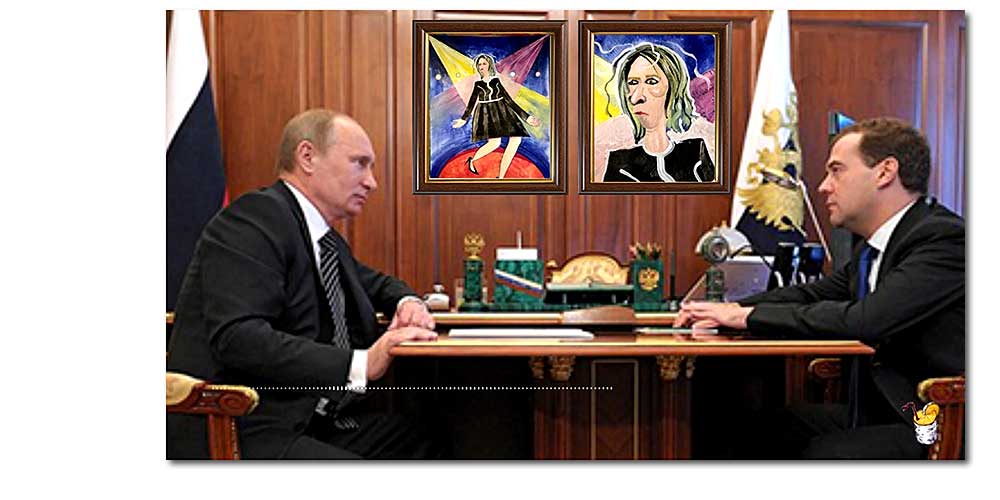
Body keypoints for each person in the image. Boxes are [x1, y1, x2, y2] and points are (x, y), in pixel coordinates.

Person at [675, 117, 964, 459]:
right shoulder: (872, 249)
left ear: (885, 172)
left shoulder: (942, 239)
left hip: (935, 421)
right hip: (882, 410)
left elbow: (866, 319)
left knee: (823, 454)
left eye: (836, 171)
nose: (824, 186)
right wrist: (733, 310)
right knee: (754, 431)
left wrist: (747, 317)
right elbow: (812, 293)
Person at [167, 109, 442, 459]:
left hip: (310, 420)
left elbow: (375, 283)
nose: (371, 182)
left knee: (425, 434)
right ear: (308, 157)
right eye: (359, 163)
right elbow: (239, 338)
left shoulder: (324, 240)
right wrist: (362, 363)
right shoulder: (252, 220)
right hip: (244, 425)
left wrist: (409, 303)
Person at [602, 42, 715, 183]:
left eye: (651, 81)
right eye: (633, 82)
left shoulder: (695, 152)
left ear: (673, 89)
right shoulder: (620, 164)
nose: (637, 97)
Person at [452, 53, 541, 179]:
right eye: (479, 64)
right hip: (487, 114)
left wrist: (527, 117)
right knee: (494, 143)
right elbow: (471, 103)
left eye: (484, 63)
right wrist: (463, 119)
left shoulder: (496, 81)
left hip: (503, 111)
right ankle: (473, 160)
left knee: (516, 140)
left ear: (489, 65)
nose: (481, 66)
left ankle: (501, 176)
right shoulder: (478, 84)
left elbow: (509, 100)